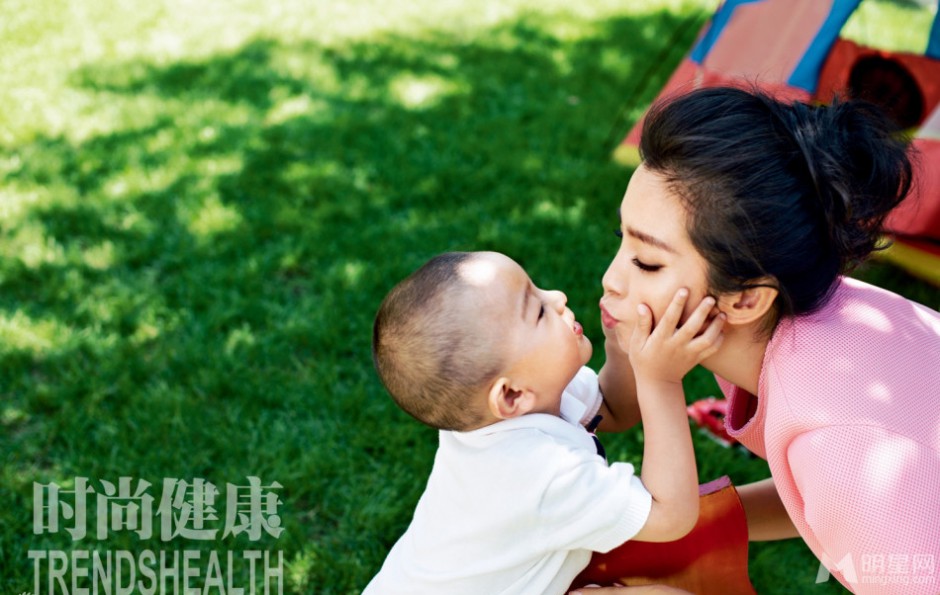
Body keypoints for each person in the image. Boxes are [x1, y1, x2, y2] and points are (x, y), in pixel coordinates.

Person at [592, 86, 940, 595]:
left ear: (746, 299)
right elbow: (822, 496)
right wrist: (696, 527)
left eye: (647, 262)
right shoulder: (837, 314)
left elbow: (855, 493)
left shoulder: (840, 442)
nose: (611, 280)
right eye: (622, 241)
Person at [365, 251, 725, 594]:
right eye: (538, 311)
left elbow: (615, 409)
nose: (557, 296)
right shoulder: (538, 474)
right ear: (510, 396)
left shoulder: (509, 409)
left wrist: (621, 346)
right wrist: (660, 380)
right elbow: (670, 516)